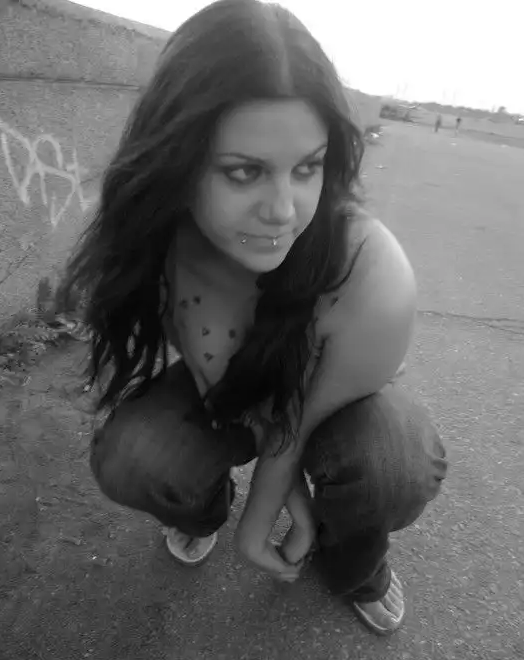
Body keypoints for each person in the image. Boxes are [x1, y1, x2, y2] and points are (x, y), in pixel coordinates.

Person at [60, 0, 447, 637]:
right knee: (136, 459)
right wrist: (262, 510)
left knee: (390, 465)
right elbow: (223, 380)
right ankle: (201, 507)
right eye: (244, 172)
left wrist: (271, 514)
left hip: (334, 398)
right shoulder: (159, 242)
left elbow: (301, 420)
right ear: (177, 160)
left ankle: (356, 564)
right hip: (236, 383)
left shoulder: (371, 270)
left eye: (307, 167)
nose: (283, 211)